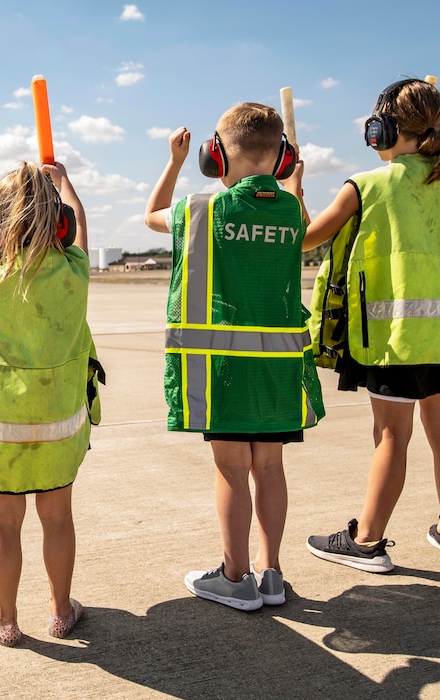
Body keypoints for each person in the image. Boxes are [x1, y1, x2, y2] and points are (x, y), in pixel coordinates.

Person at [144, 103, 324, 611]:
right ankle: (272, 575)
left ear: (215, 156)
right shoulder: (293, 210)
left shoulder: (201, 209)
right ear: (283, 156)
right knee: (270, 466)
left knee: (230, 468)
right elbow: (297, 224)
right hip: (277, 369)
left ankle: (234, 576)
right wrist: (294, 184)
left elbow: (151, 215)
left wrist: (175, 163)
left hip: (224, 370)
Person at [298, 78, 440, 573]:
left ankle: (368, 541)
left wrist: (294, 192)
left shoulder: (367, 184)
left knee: (391, 438)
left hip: (394, 338)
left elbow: (306, 239)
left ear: (389, 127)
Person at [0, 160, 94, 646]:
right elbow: (81, 222)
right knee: (57, 519)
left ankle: (5, 619)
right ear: (60, 224)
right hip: (60, 428)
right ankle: (59, 611)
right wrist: (63, 182)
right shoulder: (75, 270)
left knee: (3, 523)